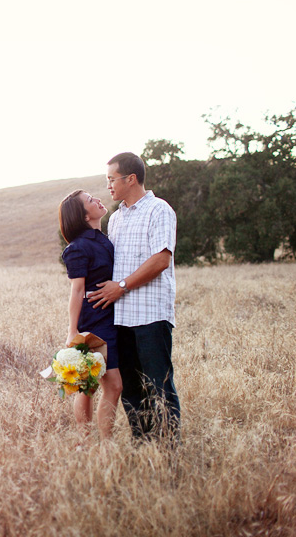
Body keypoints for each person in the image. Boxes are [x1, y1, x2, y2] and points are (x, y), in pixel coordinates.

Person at [88, 152, 180, 442]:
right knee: (130, 387)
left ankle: (168, 452)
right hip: (121, 317)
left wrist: (122, 286)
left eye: (112, 180)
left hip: (151, 314)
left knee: (159, 385)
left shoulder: (159, 210)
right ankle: (144, 448)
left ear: (131, 178)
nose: (109, 186)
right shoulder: (114, 219)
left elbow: (161, 259)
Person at [58, 189, 123, 439]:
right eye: (90, 200)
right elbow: (77, 291)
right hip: (93, 321)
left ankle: (102, 442)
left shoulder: (104, 240)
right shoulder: (78, 248)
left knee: (107, 385)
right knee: (90, 385)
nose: (97, 199)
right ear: (84, 215)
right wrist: (72, 331)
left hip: (112, 318)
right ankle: (87, 441)